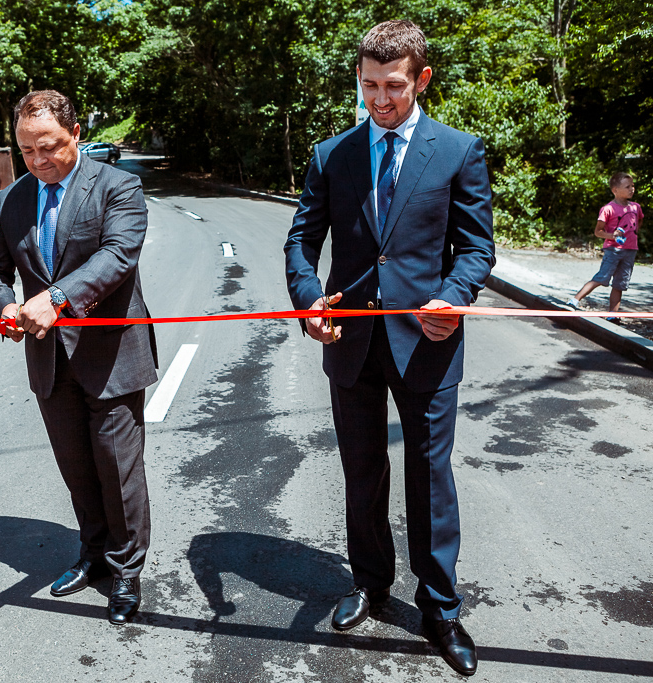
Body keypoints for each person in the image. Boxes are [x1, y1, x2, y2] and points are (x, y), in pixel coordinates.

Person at [283, 21, 496, 676]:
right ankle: (370, 583)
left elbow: (477, 248)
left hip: (427, 341)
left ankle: (440, 608)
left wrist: (454, 297)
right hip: (351, 341)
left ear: (421, 79)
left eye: (393, 86)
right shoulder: (331, 155)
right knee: (362, 470)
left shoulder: (459, 151)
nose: (380, 99)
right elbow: (300, 241)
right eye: (369, 84)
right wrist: (306, 301)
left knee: (430, 478)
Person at [0, 90, 158, 626]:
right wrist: (5, 304)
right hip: (49, 361)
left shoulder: (118, 186)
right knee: (78, 469)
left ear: (75, 134)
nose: (39, 160)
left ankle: (126, 570)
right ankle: (95, 554)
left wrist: (56, 299)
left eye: (50, 147)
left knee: (117, 469)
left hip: (112, 356)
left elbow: (118, 256)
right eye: (27, 150)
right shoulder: (11, 200)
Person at [567, 172, 643, 320]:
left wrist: (634, 233)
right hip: (613, 250)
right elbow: (598, 232)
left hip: (630, 250)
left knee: (620, 283)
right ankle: (574, 301)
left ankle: (612, 315)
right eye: (627, 187)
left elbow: (639, 220)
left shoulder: (636, 207)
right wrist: (612, 236)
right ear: (615, 190)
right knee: (602, 277)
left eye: (633, 186)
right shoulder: (608, 208)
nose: (632, 189)